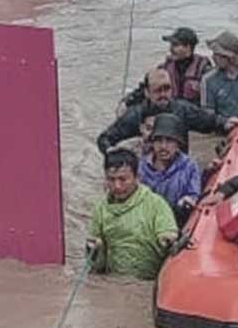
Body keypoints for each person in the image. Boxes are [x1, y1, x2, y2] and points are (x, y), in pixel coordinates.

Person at [87, 148, 178, 278]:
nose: (117, 186)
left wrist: (167, 238)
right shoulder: (100, 210)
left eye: (123, 179)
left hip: (150, 280)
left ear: (137, 177)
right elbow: (95, 265)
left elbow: (167, 231)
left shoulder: (156, 204)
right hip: (114, 280)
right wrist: (94, 249)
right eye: (111, 179)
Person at [98, 66, 189, 156]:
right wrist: (114, 154)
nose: (163, 94)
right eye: (158, 90)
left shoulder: (182, 109)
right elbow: (104, 139)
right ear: (147, 92)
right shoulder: (134, 116)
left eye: (167, 89)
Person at [140, 115, 203, 225]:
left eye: (169, 141)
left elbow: (193, 195)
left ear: (177, 144)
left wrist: (185, 203)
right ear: (152, 143)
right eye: (159, 141)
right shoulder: (140, 167)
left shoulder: (189, 167)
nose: (163, 147)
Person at [160, 27, 212, 106]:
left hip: (195, 110)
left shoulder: (204, 69)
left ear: (188, 48)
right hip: (171, 109)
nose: (171, 49)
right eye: (171, 45)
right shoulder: (165, 67)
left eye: (175, 45)